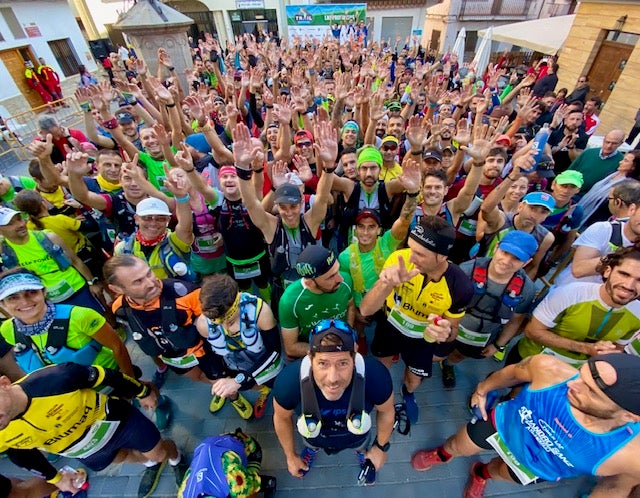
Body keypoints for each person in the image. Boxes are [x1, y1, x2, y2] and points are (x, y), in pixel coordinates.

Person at [411, 353, 640, 498]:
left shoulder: (632, 455)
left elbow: (615, 489)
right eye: (581, 375)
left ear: (630, 416)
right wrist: (483, 388)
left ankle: (480, 473)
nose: (573, 384)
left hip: (536, 467)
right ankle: (441, 454)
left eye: (590, 390)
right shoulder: (551, 370)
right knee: (457, 445)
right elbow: (512, 373)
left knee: (498, 472)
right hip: (502, 426)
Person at [0, 362, 188, 498]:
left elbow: (108, 376)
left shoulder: (56, 378)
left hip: (118, 422)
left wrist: (142, 392)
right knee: (125, 458)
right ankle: (150, 464)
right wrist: (55, 478)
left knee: (159, 453)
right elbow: (18, 453)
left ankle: (175, 458)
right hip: (88, 450)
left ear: (4, 384)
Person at [359, 216, 474, 424]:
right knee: (381, 366)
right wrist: (385, 284)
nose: (411, 258)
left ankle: (407, 394)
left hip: (422, 339)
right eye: (410, 248)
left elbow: (453, 330)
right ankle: (376, 393)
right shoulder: (399, 259)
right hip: (390, 327)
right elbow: (366, 309)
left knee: (413, 380)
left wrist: (446, 332)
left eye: (420, 254)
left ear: (442, 256)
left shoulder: (461, 287)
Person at [272, 320, 395, 484]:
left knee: (360, 445)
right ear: (310, 356)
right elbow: (281, 417)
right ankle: (313, 449)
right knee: (311, 441)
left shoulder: (375, 377)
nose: (332, 379)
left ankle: (361, 452)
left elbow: (386, 411)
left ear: (355, 354)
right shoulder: (289, 382)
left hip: (356, 437)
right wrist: (290, 455)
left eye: (342, 363)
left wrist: (380, 448)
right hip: (315, 436)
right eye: (323, 363)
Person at [106, 255, 225, 400]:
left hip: (203, 353)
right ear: (117, 288)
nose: (151, 283)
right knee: (197, 377)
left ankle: (233, 397)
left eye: (149, 273)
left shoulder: (185, 293)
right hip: (173, 358)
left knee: (220, 381)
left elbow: (214, 323)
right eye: (138, 281)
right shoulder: (120, 309)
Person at [437, 231, 538, 388]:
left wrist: (498, 345)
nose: (506, 261)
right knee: (435, 351)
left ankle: (449, 365)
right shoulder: (466, 270)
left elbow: (515, 321)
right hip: (450, 326)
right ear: (496, 247)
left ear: (526, 262)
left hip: (482, 336)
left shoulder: (526, 289)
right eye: (505, 252)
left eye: (516, 258)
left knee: (459, 355)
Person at [509, 246, 640, 367]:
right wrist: (586, 348)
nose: (629, 285)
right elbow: (532, 331)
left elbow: (618, 347)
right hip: (531, 363)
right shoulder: (570, 293)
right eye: (624, 274)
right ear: (607, 271)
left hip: (574, 378)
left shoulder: (638, 313)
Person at [0, 269, 134, 377]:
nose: (24, 302)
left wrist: (131, 383)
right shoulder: (8, 329)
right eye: (13, 298)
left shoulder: (80, 316)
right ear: (3, 304)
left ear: (44, 291)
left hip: (108, 381)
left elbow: (117, 347)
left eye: (32, 292)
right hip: (67, 396)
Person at [196, 274, 282, 420]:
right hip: (232, 364)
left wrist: (239, 380)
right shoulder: (203, 324)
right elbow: (211, 353)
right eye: (217, 322)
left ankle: (265, 390)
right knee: (232, 384)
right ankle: (233, 396)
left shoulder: (260, 312)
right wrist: (221, 378)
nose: (224, 327)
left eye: (229, 319)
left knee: (275, 385)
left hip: (263, 363)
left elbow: (274, 353)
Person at [0, 207, 104, 312]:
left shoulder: (48, 236)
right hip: (46, 300)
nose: (21, 224)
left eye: (19, 219)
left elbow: (75, 260)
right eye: (10, 224)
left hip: (76, 289)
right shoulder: (4, 250)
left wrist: (92, 283)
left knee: (98, 319)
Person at [279, 245, 354, 359]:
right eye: (331, 277)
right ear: (310, 283)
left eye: (337, 270)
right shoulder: (289, 301)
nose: (341, 279)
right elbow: (291, 348)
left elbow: (350, 306)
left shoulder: (345, 281)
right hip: (312, 350)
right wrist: (329, 350)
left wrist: (349, 335)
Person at [178, 428, 276, 498]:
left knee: (247, 492)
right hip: (212, 448)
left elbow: (245, 485)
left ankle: (267, 483)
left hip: (244, 446)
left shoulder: (236, 486)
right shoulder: (183, 494)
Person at [567, 129, 626, 194]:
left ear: (621, 143)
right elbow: (570, 170)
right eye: (607, 142)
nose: (609, 146)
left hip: (590, 198)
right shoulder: (589, 152)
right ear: (604, 140)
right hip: (570, 191)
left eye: (614, 143)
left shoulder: (621, 162)